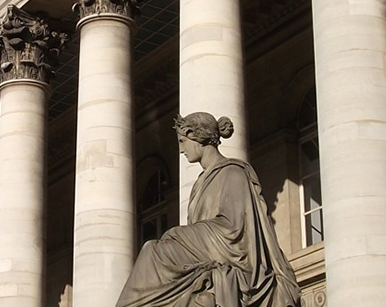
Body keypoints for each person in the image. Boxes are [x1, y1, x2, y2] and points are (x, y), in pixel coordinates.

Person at [116, 112, 300, 307]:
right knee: (153, 254)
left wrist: (179, 234)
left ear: (198, 137)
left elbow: (236, 229)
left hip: (234, 255)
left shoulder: (233, 172)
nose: (180, 150)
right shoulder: (199, 184)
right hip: (205, 252)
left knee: (152, 251)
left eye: (182, 141)